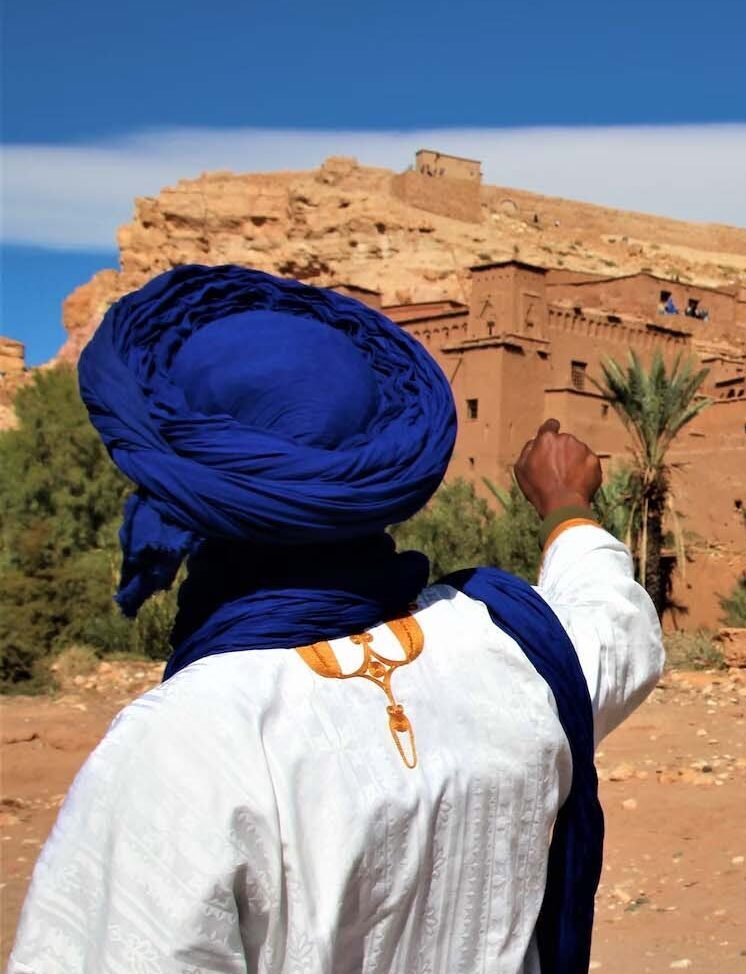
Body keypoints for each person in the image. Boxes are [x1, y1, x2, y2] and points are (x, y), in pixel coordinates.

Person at [8, 265, 664, 974]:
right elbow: (614, 625)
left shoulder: (186, 744)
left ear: (182, 491)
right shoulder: (514, 656)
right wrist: (566, 504)